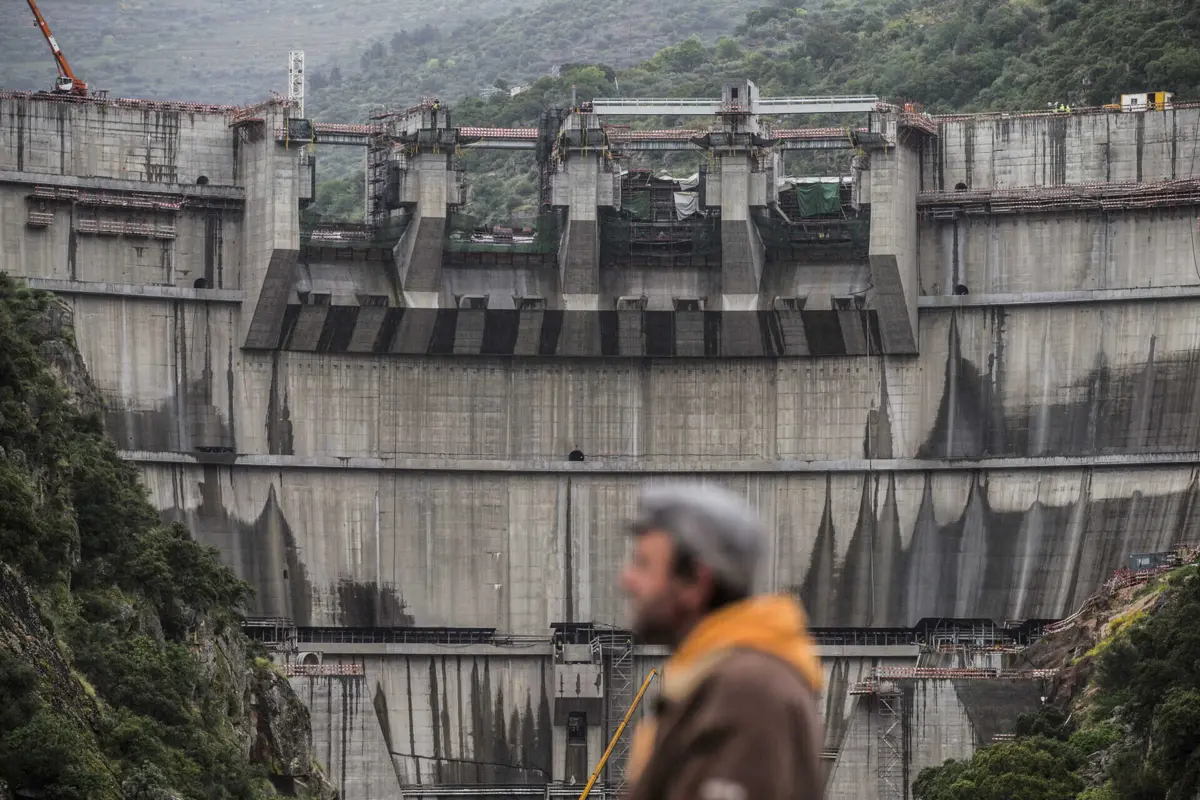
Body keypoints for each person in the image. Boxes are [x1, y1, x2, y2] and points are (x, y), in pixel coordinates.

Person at [620, 483, 825, 800]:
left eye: (644, 564)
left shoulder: (749, 691)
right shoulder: (713, 679)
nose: (628, 580)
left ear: (697, 583)